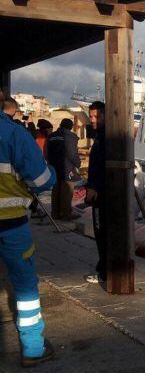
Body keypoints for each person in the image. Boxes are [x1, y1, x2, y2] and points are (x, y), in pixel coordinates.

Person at [0, 97, 57, 367]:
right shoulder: (14, 134)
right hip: (11, 223)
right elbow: (42, 181)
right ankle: (33, 348)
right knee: (24, 286)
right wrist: (54, 172)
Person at [84, 101, 106, 284]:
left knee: (102, 233)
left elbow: (103, 167)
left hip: (102, 194)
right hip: (100, 191)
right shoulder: (100, 137)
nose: (92, 120)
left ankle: (104, 272)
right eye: (91, 116)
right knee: (102, 234)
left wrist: (94, 187)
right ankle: (103, 269)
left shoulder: (105, 139)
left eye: (96, 116)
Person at [45, 119, 81, 220]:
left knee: (56, 189)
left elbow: (46, 152)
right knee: (67, 189)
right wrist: (78, 163)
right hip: (67, 167)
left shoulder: (51, 136)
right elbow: (72, 153)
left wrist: (50, 163)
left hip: (53, 166)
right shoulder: (70, 136)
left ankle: (55, 213)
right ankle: (66, 213)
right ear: (70, 127)